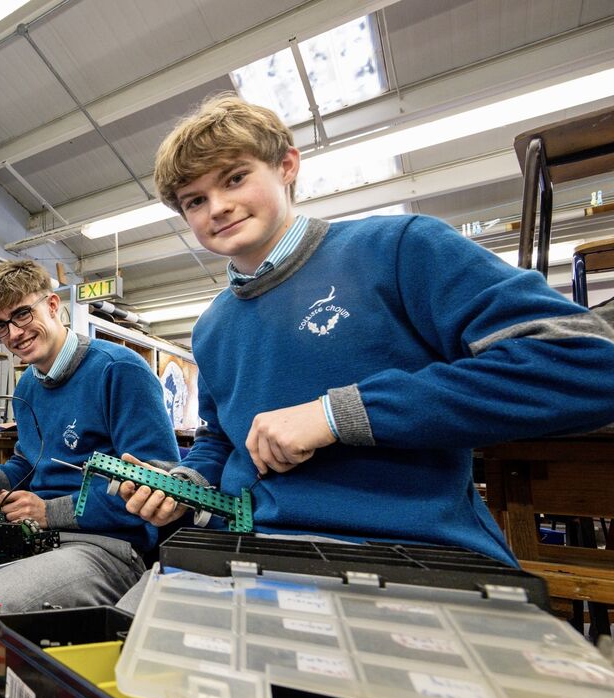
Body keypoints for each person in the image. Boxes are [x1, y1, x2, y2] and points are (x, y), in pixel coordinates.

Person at [118, 94, 614, 607]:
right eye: (194, 201)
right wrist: (183, 483)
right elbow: (222, 439)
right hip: (249, 553)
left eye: (235, 178)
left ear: (287, 165)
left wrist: (338, 415)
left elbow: (589, 363)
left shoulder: (399, 248)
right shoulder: (213, 328)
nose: (216, 207)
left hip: (407, 554)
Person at [0, 260, 180, 613]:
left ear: (54, 306)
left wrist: (48, 511)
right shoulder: (28, 383)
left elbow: (158, 487)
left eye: (23, 314)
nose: (14, 333)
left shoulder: (119, 370)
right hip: (38, 537)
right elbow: (30, 461)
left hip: (107, 547)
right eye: (1, 326)